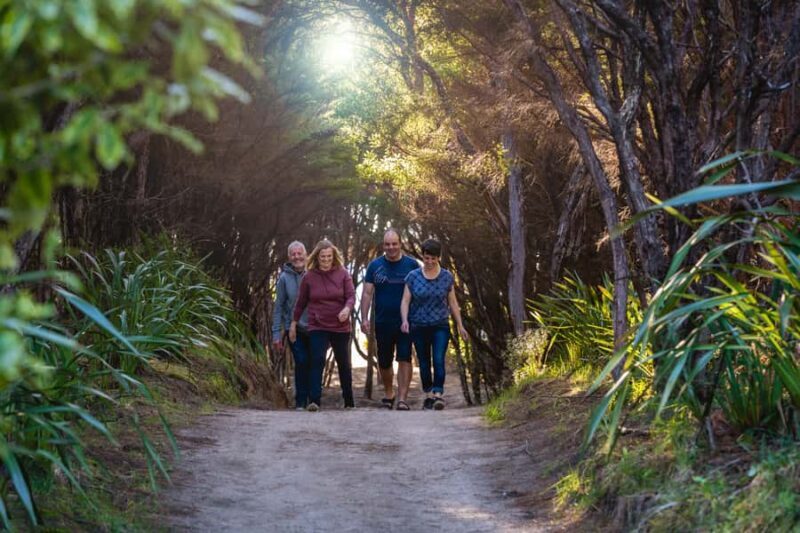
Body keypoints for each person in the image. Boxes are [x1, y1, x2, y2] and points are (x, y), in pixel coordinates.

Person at [400, 239, 468, 410]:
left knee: (438, 359)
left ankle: (438, 394)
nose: (429, 262)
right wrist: (405, 320)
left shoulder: (447, 277)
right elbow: (405, 301)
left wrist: (460, 325)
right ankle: (428, 393)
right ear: (422, 256)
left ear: (439, 258)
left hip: (440, 325)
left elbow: (453, 303)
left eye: (433, 258)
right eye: (426, 258)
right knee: (423, 362)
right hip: (419, 325)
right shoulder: (413, 277)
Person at [290, 239, 355, 411]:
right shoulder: (309, 277)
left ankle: (349, 401)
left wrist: (347, 309)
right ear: (317, 257)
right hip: (318, 324)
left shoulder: (343, 274)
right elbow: (300, 302)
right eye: (322, 257)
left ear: (334, 257)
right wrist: (293, 323)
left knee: (343, 362)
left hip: (340, 326)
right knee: (317, 360)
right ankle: (315, 401)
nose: (326, 260)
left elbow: (351, 296)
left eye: (329, 256)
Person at [360, 229, 419, 411]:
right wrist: (364, 318)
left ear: (400, 244)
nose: (391, 247)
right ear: (383, 245)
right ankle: (389, 393)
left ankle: (402, 398)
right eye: (387, 244)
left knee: (404, 357)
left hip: (405, 321)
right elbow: (367, 293)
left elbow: (420, 291)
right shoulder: (374, 266)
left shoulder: (412, 265)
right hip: (383, 322)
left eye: (394, 244)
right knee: (384, 362)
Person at [271, 241, 310, 410]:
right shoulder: (284, 279)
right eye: (293, 254)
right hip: (293, 328)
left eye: (299, 253)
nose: (297, 257)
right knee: (301, 361)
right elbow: (278, 307)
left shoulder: (314, 274)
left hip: (315, 326)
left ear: (306, 254)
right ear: (289, 257)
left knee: (314, 362)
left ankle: (313, 398)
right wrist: (276, 334)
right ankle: (301, 401)